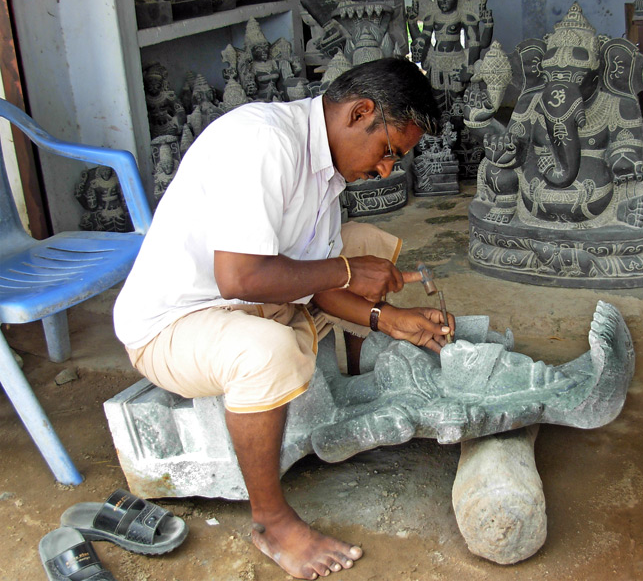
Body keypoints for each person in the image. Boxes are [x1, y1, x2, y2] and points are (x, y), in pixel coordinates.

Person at [113, 57, 452, 580]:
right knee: (270, 353)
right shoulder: (266, 142)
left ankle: (355, 376)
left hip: (244, 302)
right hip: (174, 326)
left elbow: (320, 284)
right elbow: (240, 279)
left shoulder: (328, 174)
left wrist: (390, 317)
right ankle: (270, 522)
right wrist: (344, 271)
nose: (387, 170)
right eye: (388, 151)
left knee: (368, 251)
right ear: (360, 112)